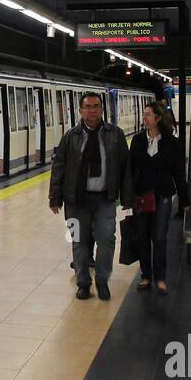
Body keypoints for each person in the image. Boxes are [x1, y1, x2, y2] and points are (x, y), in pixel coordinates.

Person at [48, 92, 132, 301]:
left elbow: (125, 167)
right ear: (80, 110)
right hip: (76, 201)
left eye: (96, 106)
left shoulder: (115, 135)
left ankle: (102, 280)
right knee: (78, 242)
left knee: (107, 240)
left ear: (102, 110)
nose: (92, 110)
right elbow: (59, 168)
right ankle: (83, 283)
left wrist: (127, 197)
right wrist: (54, 197)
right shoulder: (70, 136)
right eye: (88, 106)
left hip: (105, 199)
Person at [128, 105, 190, 296]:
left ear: (158, 119)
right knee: (142, 237)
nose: (144, 118)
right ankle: (146, 275)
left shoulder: (173, 143)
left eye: (147, 115)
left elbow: (179, 174)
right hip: (141, 197)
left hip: (162, 196)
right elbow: (130, 170)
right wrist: (126, 196)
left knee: (160, 237)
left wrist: (185, 200)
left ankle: (160, 278)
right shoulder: (138, 141)